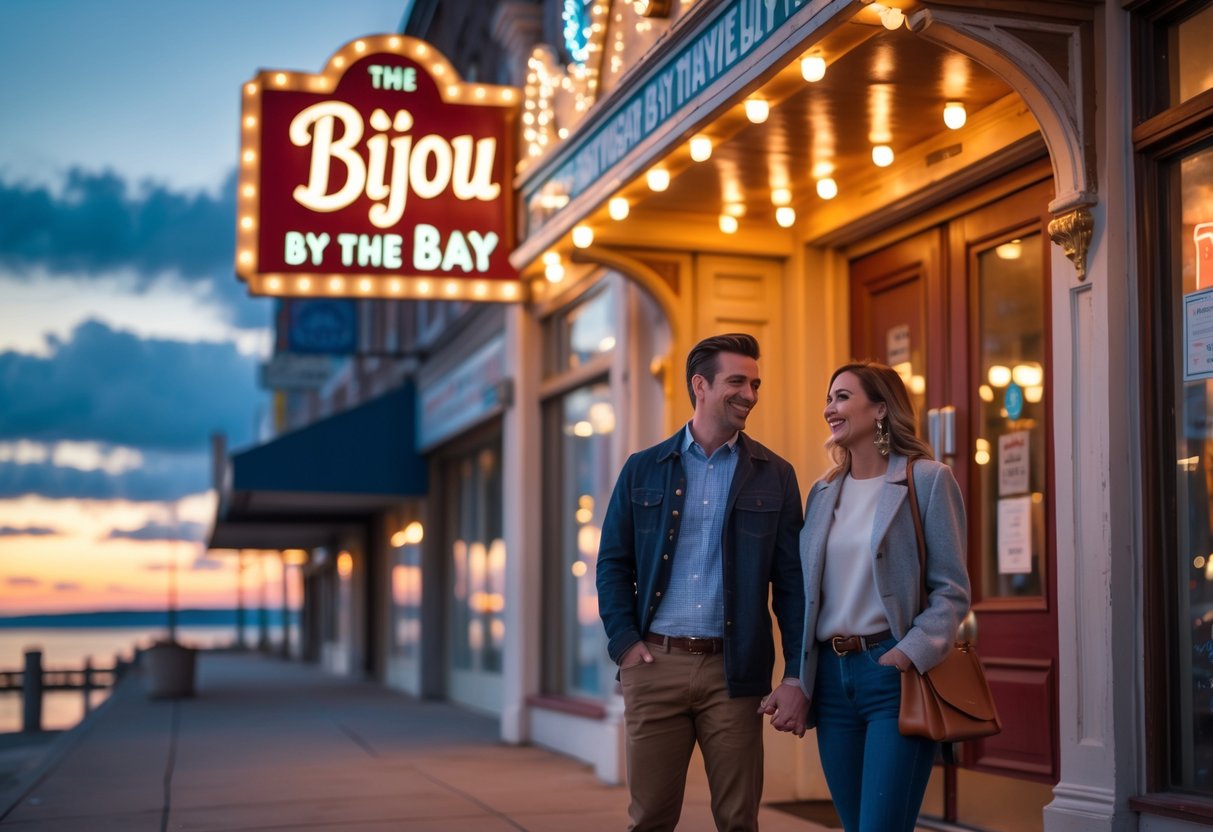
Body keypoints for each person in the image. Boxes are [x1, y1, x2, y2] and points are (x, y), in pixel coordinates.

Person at [596, 332, 808, 832]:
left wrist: (796, 673)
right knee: (649, 818)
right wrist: (626, 645)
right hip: (654, 663)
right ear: (701, 386)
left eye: (756, 384)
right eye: (737, 382)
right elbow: (612, 564)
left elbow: (792, 586)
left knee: (738, 820)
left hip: (733, 672)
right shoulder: (642, 469)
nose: (750, 395)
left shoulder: (774, 474)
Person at [798, 361, 970, 832]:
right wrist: (799, 679)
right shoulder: (821, 492)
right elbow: (810, 595)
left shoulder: (927, 480)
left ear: (879, 409)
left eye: (843, 397)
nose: (830, 408)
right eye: (829, 398)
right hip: (831, 682)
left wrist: (905, 656)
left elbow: (951, 592)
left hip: (893, 677)